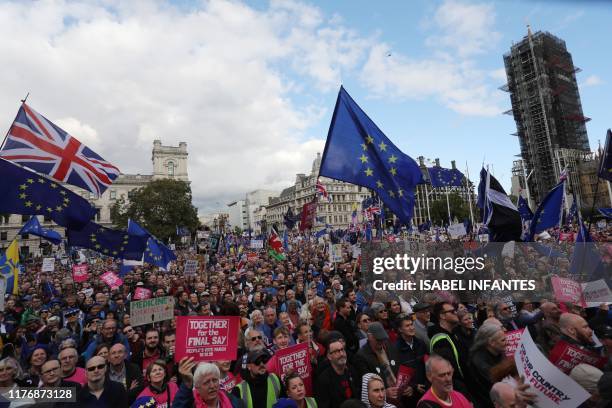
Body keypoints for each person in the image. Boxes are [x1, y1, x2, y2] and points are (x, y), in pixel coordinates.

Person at [352, 322, 401, 402]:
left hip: (398, 392)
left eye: (383, 339)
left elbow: (399, 367)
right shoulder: (361, 356)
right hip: (382, 400)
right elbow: (367, 384)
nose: (381, 342)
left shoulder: (389, 346)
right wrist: (384, 392)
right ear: (370, 336)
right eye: (378, 339)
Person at [174, 358, 243, 407]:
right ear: (197, 387)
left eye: (215, 380)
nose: (212, 386)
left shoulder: (235, 402)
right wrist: (187, 385)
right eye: (206, 382)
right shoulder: (192, 404)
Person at [468, 324, 507, 408]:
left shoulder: (499, 352)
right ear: (491, 343)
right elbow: (500, 382)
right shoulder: (479, 362)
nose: (507, 342)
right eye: (503, 340)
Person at [314, 336, 358, 408]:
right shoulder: (323, 380)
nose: (341, 354)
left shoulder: (352, 371)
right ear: (329, 356)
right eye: (337, 351)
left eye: (342, 350)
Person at [395, 316, 427, 405]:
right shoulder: (395, 349)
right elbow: (398, 373)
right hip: (410, 394)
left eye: (412, 324)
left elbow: (427, 365)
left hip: (425, 388)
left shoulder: (421, 343)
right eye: (407, 326)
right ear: (400, 330)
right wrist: (414, 386)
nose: (412, 327)